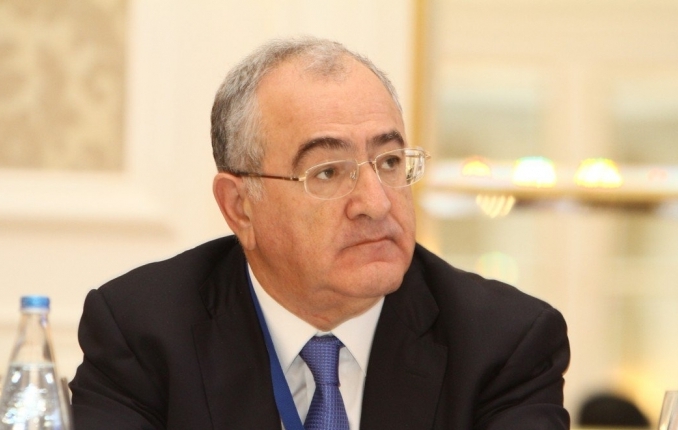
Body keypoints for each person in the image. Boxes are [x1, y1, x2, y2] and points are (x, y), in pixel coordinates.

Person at [69, 36, 570, 429]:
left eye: (390, 162)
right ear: (240, 208)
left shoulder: (502, 344)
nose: (376, 203)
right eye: (328, 172)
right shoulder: (144, 332)